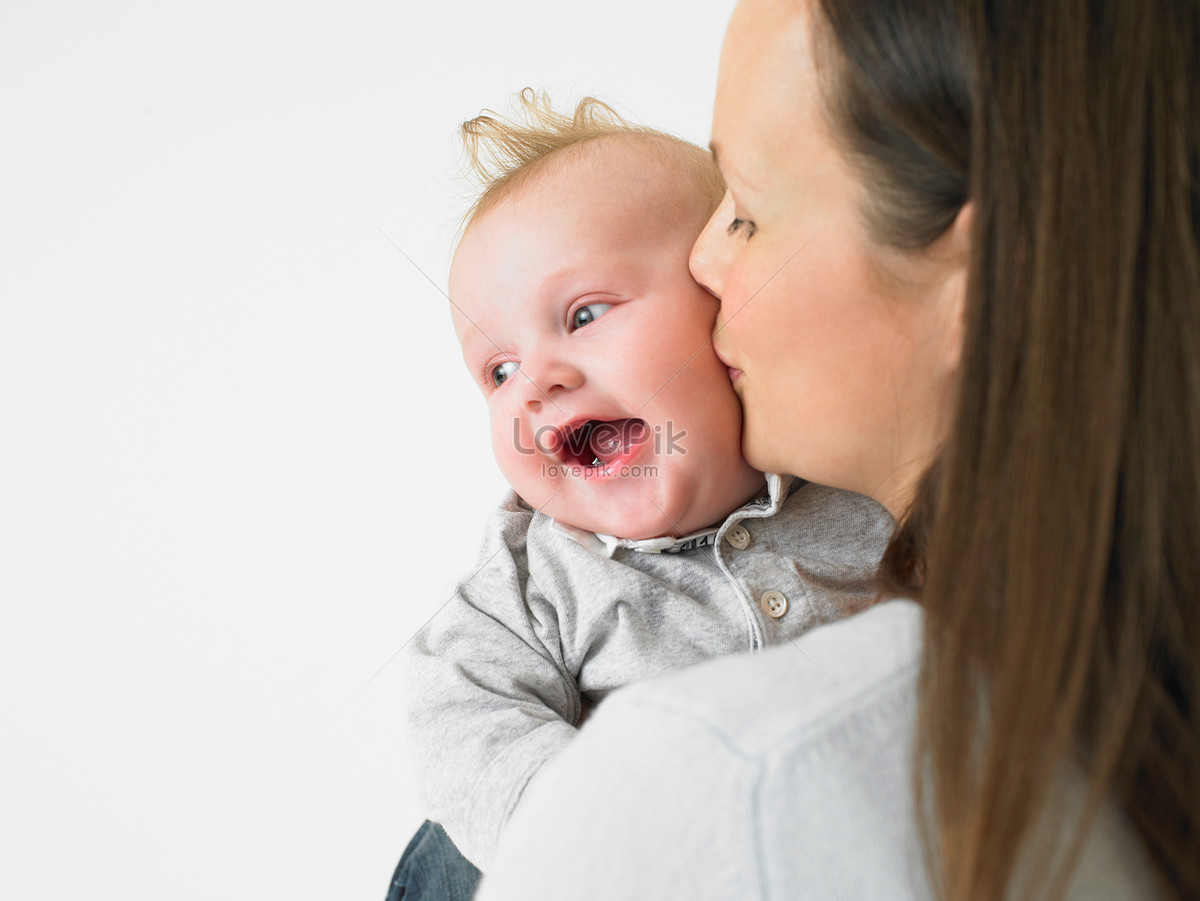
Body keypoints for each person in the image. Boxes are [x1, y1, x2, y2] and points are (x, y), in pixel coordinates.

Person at [475, 0, 1200, 899]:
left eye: (743, 213)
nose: (701, 264)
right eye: (495, 371)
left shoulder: (716, 785)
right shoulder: (527, 580)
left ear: (987, 279)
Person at [386, 92, 895, 900]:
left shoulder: (864, 493)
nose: (537, 380)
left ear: (728, 309)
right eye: (498, 370)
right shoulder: (530, 582)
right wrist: (611, 837)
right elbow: (462, 731)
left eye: (584, 314)